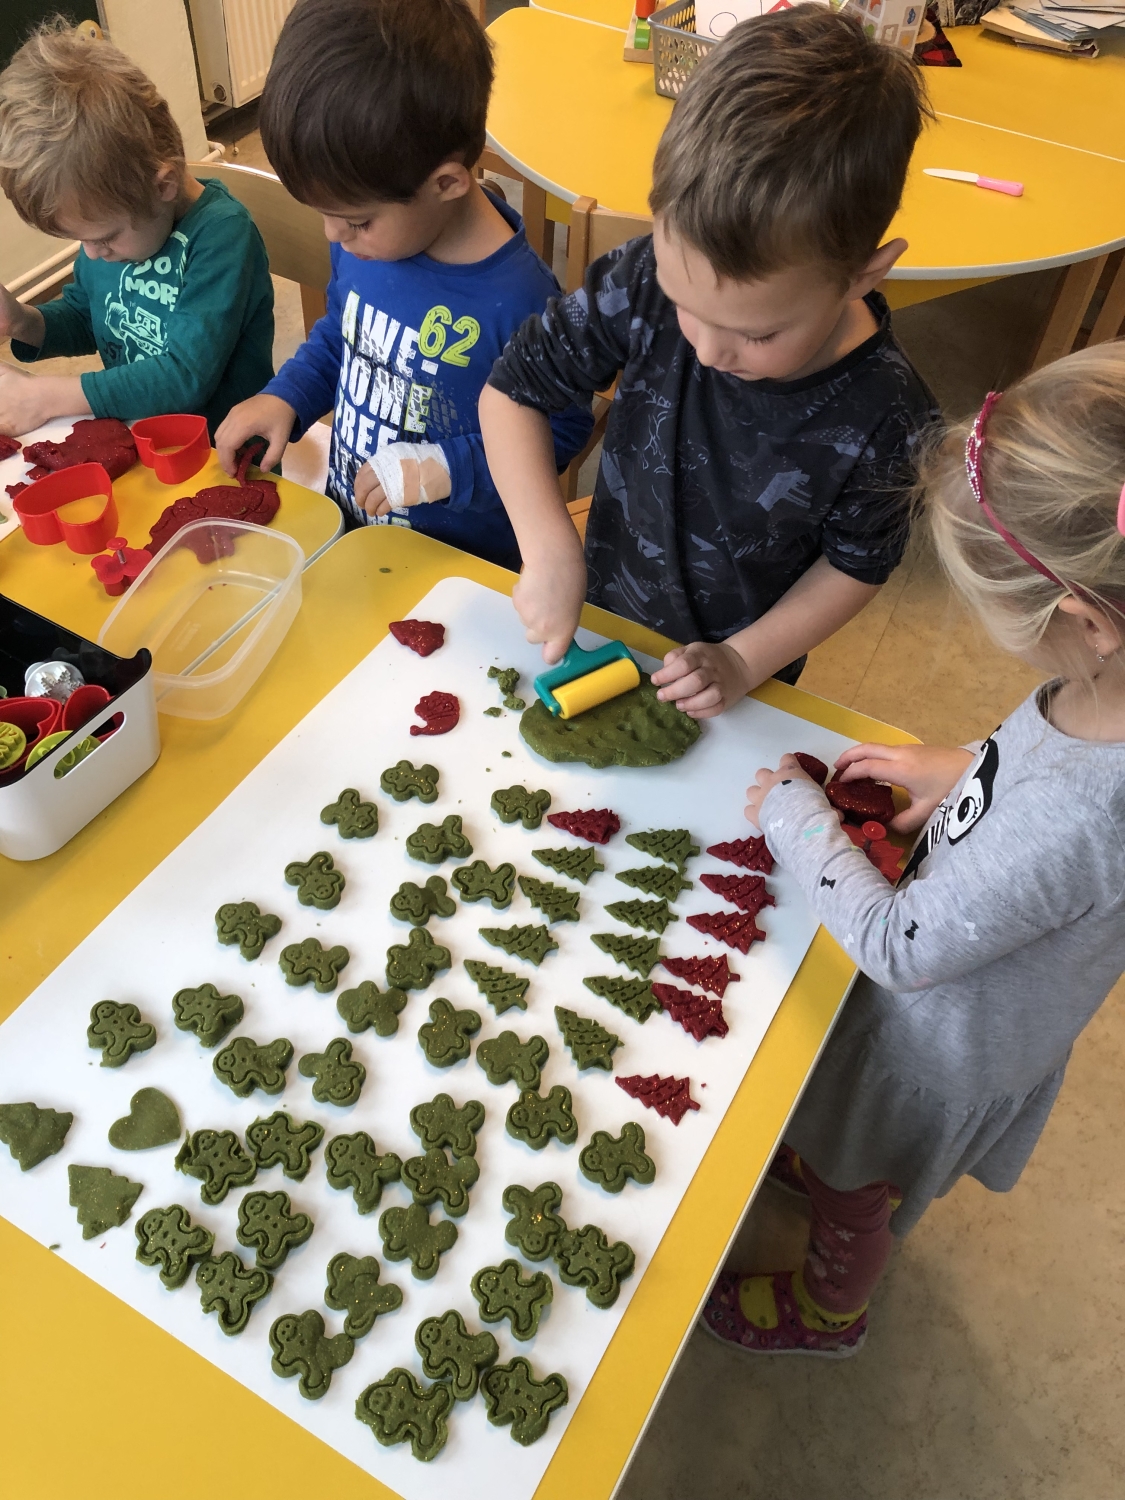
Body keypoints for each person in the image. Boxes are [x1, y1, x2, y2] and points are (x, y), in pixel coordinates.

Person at [703, 343, 1125, 1356]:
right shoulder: (1099, 694)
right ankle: (828, 1163)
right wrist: (967, 765)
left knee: (861, 1189)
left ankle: (830, 1311)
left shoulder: (1085, 811)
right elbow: (1040, 774)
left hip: (933, 1050)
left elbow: (902, 945)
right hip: (956, 1010)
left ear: (1082, 620)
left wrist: (796, 819)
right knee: (839, 1147)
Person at [480, 7, 940, 714]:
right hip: (606, 615)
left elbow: (856, 565)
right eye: (682, 302)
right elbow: (512, 392)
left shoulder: (889, 416)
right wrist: (547, 547)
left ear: (862, 276)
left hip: (740, 674)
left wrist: (743, 659)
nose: (707, 348)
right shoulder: (642, 279)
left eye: (756, 334)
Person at [216, 0, 592, 571]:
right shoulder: (367, 240)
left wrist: (446, 468)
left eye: (356, 220)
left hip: (458, 571)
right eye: (325, 214)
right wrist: (287, 396)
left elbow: (563, 428)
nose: (334, 235)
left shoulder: (523, 302)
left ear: (446, 183)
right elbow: (344, 336)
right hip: (354, 538)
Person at [0, 24, 274, 437]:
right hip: (141, 442)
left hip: (221, 456)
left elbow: (184, 377)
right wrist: (23, 322)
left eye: (104, 238)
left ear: (163, 186)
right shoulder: (115, 223)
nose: (91, 253)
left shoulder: (223, 235)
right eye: (81, 239)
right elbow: (88, 317)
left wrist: (47, 395)